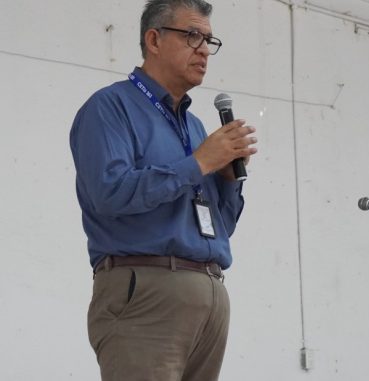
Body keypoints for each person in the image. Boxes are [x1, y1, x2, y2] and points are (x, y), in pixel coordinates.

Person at [69, 0, 257, 379]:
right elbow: (111, 193)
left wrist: (228, 180)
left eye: (208, 40)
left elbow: (222, 226)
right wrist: (199, 163)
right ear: (153, 40)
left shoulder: (198, 127)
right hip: (147, 292)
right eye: (192, 36)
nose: (203, 49)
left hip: (209, 289)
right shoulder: (110, 107)